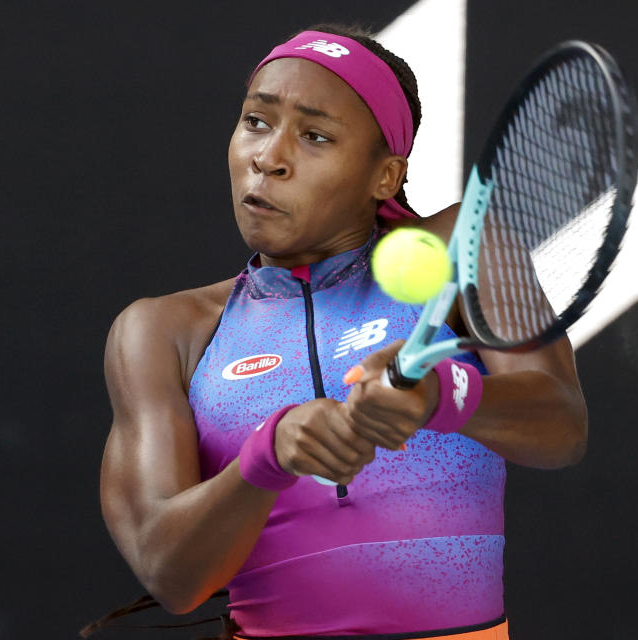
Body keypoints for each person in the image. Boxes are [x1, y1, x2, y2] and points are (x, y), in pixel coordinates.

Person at [98, 24, 587, 639]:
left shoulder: (461, 245)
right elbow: (170, 574)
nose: (269, 157)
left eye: (315, 136)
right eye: (255, 121)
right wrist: (268, 456)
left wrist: (442, 394)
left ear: (384, 177)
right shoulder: (163, 331)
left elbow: (562, 424)